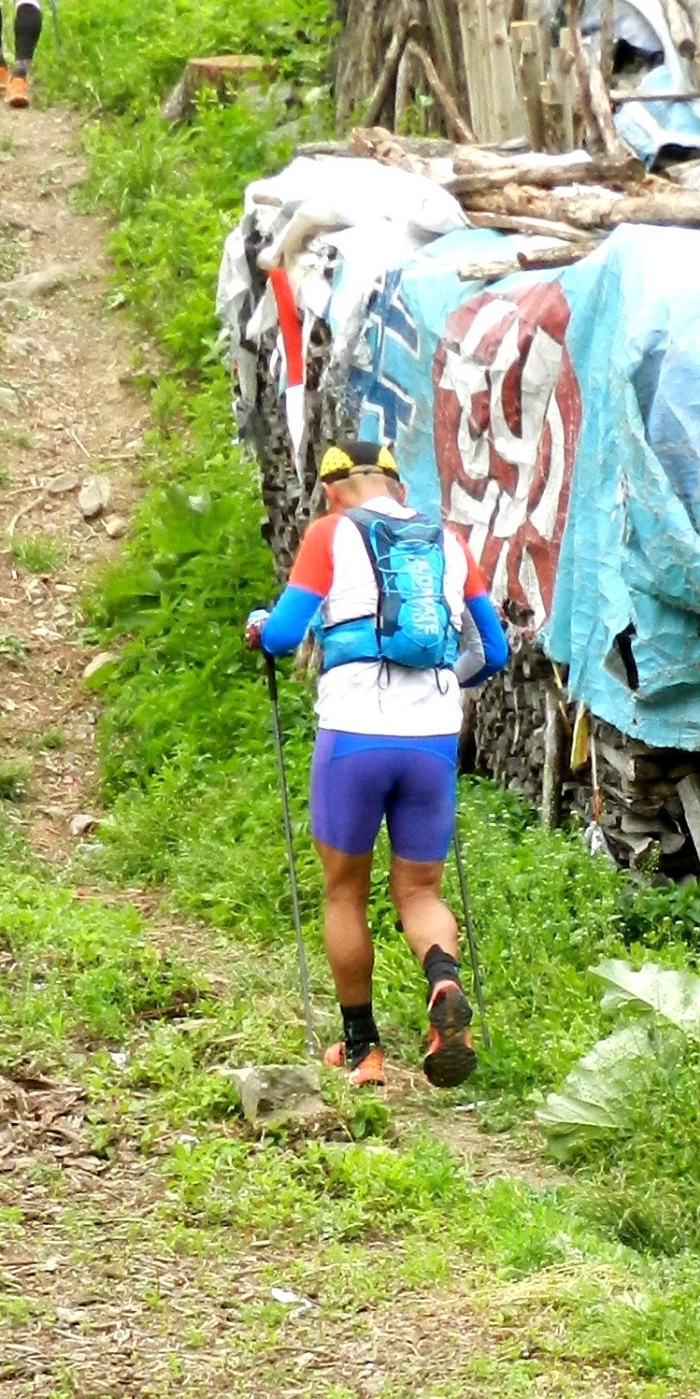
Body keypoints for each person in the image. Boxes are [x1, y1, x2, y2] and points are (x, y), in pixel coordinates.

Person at [246, 441, 510, 1089]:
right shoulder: (447, 542)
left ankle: (363, 1050)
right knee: (421, 891)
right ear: (397, 486)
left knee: (345, 893)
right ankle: (443, 985)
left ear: (334, 490)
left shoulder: (328, 534)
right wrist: (446, 680)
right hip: (432, 739)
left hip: (355, 734)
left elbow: (283, 637)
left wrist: (259, 626)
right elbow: (495, 650)